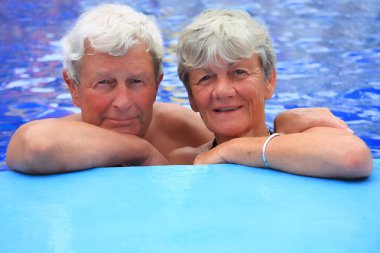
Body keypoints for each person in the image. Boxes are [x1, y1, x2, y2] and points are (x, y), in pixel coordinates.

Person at [6, 4, 351, 175]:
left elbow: (237, 131)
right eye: (104, 83)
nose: (123, 103)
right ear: (73, 87)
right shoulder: (65, 134)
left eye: (137, 82)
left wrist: (286, 123)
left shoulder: (182, 130)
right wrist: (141, 151)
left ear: (158, 84)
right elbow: (36, 145)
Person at [170, 9, 373, 179]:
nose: (222, 91)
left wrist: (231, 149)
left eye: (238, 72)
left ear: (269, 81)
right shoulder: (182, 162)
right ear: (191, 96)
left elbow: (353, 157)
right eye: (206, 78)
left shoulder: (307, 141)